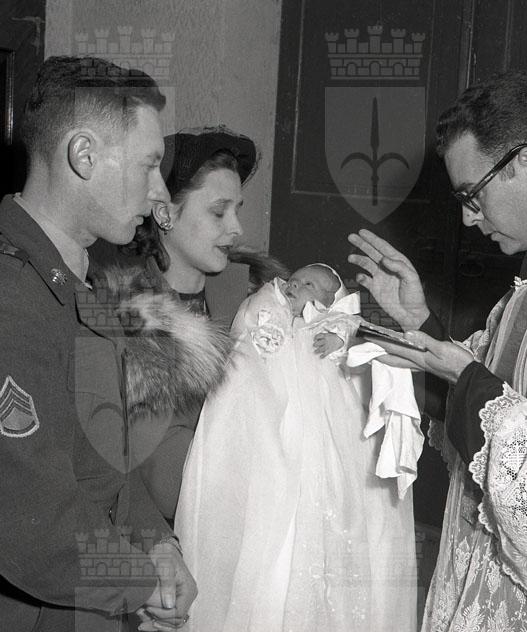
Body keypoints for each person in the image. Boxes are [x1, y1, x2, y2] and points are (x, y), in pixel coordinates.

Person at [348, 70, 527, 631]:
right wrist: (420, 323)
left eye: (472, 195)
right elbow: (493, 395)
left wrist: (468, 381)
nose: (467, 216)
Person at [0, 55, 197, 632]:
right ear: (83, 155)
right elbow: (32, 521)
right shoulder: (13, 300)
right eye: (150, 165)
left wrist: (156, 542)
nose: (160, 193)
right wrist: (141, 583)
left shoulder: (76, 280)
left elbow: (100, 458)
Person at [175, 263, 421, 631]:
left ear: (329, 298)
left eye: (309, 284)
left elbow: (354, 334)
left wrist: (336, 340)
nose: (296, 285)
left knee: (328, 499)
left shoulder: (334, 318)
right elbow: (249, 340)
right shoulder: (271, 307)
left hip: (325, 423)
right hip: (280, 417)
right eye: (295, 279)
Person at [100, 127, 258, 521]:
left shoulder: (255, 299)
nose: (237, 228)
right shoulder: (132, 324)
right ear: (165, 213)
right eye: (219, 211)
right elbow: (170, 485)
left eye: (237, 209)